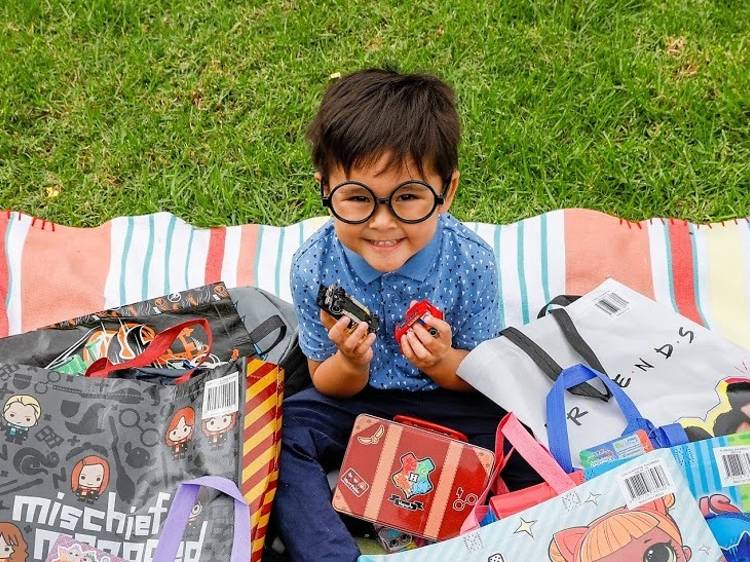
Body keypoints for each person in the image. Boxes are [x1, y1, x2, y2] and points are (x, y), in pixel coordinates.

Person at [273, 68, 539, 561]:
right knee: (282, 432)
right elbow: (322, 380)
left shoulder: (470, 261)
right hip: (359, 404)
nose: (382, 222)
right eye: (356, 198)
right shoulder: (314, 266)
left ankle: (513, 540)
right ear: (324, 188)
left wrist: (442, 362)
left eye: (408, 198)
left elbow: (487, 374)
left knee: (530, 438)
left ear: (447, 192)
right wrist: (351, 364)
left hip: (451, 403)